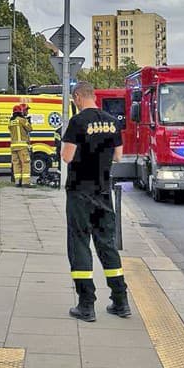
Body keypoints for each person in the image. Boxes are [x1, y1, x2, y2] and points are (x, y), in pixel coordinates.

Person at [60, 80, 130, 322]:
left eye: (74, 99)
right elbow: (119, 157)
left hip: (79, 191)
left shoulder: (77, 122)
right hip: (102, 190)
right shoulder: (112, 122)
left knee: (79, 243)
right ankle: (120, 301)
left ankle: (86, 304)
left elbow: (67, 157)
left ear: (78, 96)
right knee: (106, 244)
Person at [8, 102, 32, 187]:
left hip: (13, 147)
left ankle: (17, 182)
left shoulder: (11, 121)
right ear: (20, 112)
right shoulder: (22, 120)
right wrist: (28, 121)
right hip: (22, 146)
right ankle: (26, 182)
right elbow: (29, 129)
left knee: (16, 164)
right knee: (25, 163)